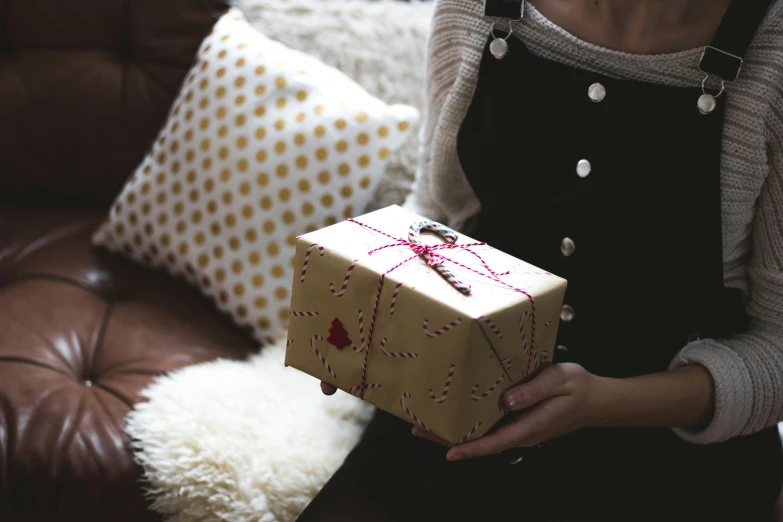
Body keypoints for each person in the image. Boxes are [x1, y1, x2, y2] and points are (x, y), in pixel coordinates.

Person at [298, 1, 783, 520]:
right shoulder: (472, 9)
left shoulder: (772, 52)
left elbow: (776, 347)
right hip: (455, 408)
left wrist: (604, 403)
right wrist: (378, 316)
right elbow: (438, 213)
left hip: (669, 457)